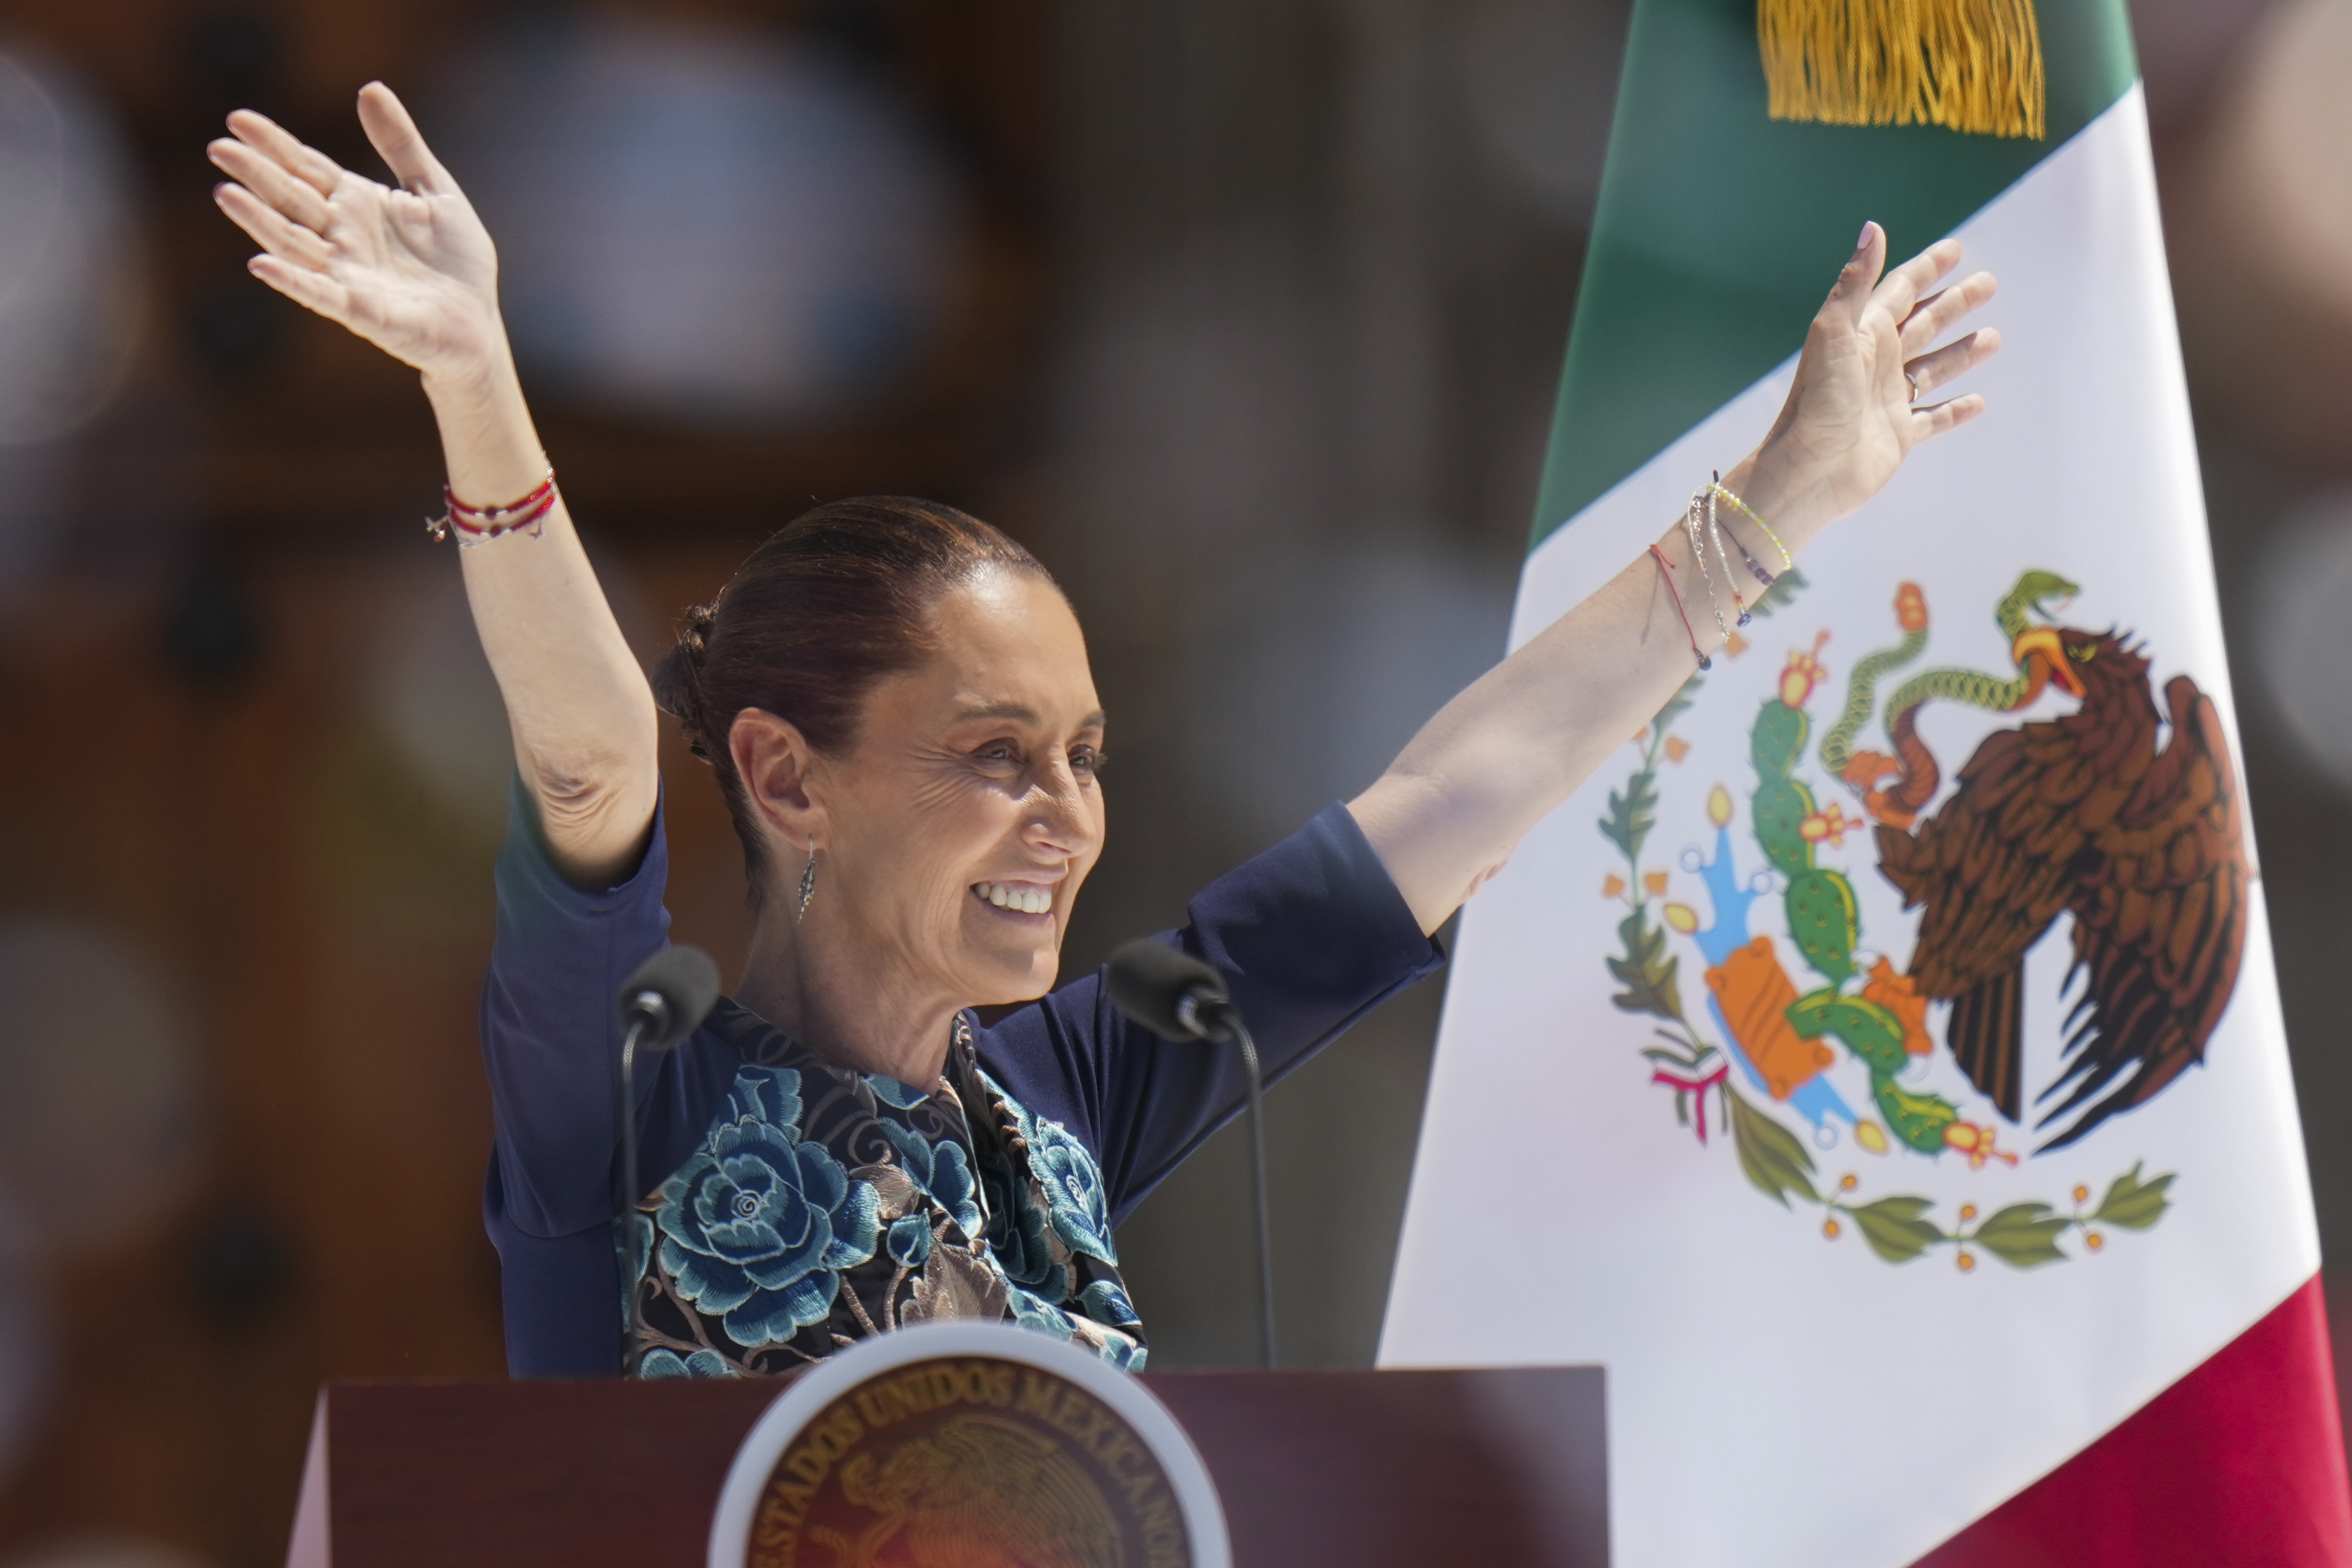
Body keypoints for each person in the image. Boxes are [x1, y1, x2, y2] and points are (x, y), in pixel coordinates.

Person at [206, 84, 1998, 1379]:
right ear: (782, 773)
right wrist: (473, 378)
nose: (1064, 813)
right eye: (994, 754)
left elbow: (1454, 792)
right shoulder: (626, 1088)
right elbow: (592, 759)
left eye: (1084, 755)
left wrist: (1776, 504)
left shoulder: (1071, 1091)